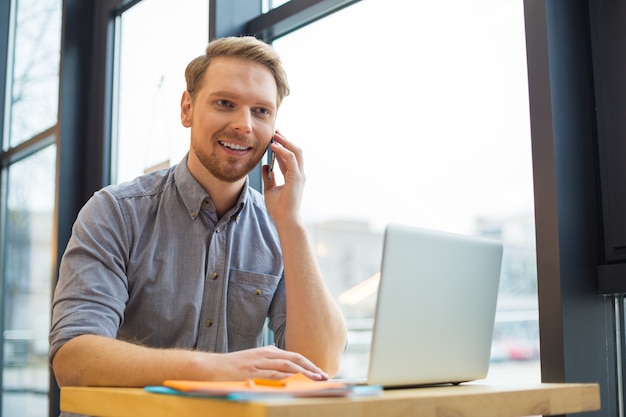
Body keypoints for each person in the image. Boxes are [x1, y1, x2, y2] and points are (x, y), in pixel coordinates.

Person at [49, 36, 347, 394]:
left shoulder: (279, 228)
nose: (244, 125)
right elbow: (73, 359)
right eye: (225, 103)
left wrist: (292, 226)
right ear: (187, 109)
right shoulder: (115, 212)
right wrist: (213, 368)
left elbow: (320, 365)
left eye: (261, 111)